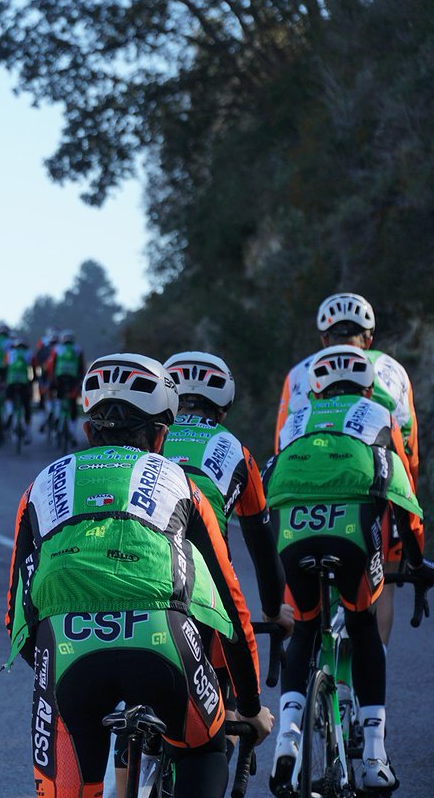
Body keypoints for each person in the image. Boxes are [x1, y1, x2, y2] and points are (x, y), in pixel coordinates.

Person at [4, 353, 272, 798]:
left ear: (88, 430)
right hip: (164, 643)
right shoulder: (176, 480)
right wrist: (249, 705)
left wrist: (62, 667)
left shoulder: (42, 484)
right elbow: (230, 599)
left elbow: (17, 615)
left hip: (65, 651)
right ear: (162, 435)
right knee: (205, 750)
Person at [265, 345, 433, 793]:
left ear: (315, 387)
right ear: (367, 386)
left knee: (304, 629)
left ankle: (287, 740)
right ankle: (375, 755)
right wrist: (416, 560)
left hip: (291, 533)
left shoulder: (295, 422)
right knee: (362, 627)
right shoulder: (379, 417)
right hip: (353, 535)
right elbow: (402, 494)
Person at [274, 292, 420, 645]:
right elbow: (409, 445)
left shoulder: (300, 372)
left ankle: (306, 673)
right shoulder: (390, 369)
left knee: (305, 599)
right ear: (368, 337)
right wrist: (407, 506)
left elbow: (281, 440)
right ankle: (373, 668)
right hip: (376, 490)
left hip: (302, 492)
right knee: (381, 581)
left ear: (324, 337)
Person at [162, 351, 293, 631]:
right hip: (207, 582)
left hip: (134, 572)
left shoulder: (149, 436)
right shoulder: (236, 450)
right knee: (231, 664)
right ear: (222, 412)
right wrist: (272, 612)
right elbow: (262, 546)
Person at [41, 330, 84, 443]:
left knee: (57, 398)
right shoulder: (78, 349)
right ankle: (72, 431)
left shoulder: (57, 349)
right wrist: (80, 380)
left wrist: (52, 380)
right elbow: (81, 366)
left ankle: (56, 417)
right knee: (73, 403)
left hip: (59, 378)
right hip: (73, 379)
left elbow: (52, 366)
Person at [4, 338, 35, 440]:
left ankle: (9, 412)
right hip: (23, 382)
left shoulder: (9, 353)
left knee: (8, 398)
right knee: (26, 406)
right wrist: (33, 380)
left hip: (11, 381)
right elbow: (33, 368)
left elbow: (5, 367)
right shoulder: (29, 353)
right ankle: (28, 431)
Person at [34, 327, 59, 414]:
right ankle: (53, 411)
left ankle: (47, 412)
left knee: (44, 393)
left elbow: (37, 358)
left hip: (46, 372)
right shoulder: (61, 347)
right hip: (55, 374)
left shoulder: (43, 343)